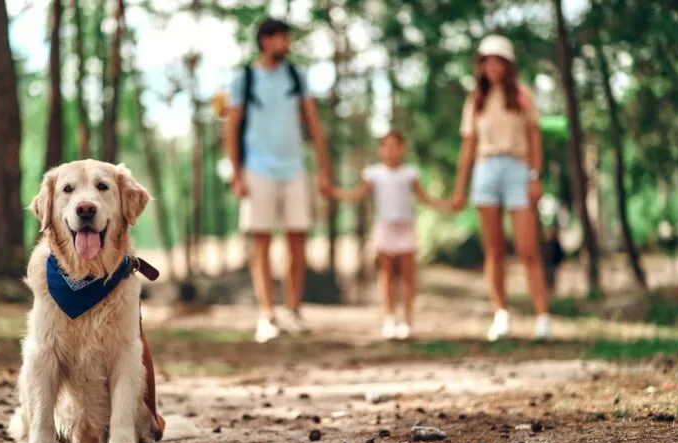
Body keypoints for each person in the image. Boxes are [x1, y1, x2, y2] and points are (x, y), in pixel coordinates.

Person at [225, 18, 332, 343]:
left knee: (298, 239)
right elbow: (231, 127)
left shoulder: (297, 77)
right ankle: (267, 315)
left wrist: (324, 170)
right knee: (261, 242)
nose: (287, 44)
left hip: (295, 168)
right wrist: (236, 172)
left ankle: (293, 311)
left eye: (288, 38)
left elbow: (313, 124)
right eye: (282, 38)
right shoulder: (244, 78)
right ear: (265, 41)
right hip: (258, 169)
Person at [449, 34, 551, 341]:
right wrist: (459, 188)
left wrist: (535, 175)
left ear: (507, 65)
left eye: (498, 62)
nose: (492, 67)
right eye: (486, 62)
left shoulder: (522, 95)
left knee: (527, 248)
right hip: (485, 170)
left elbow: (535, 136)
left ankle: (542, 316)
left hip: (517, 169)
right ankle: (501, 314)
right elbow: (468, 146)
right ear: (480, 66)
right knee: (493, 250)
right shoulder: (475, 101)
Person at [330, 131, 448, 340]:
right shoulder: (374, 174)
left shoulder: (410, 174)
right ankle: (390, 318)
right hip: (385, 228)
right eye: (388, 146)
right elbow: (357, 194)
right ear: (381, 150)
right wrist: (334, 192)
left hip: (405, 228)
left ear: (403, 149)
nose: (392, 151)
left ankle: (408, 320)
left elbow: (425, 198)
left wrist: (447, 205)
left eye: (396, 146)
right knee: (386, 275)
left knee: (407, 276)